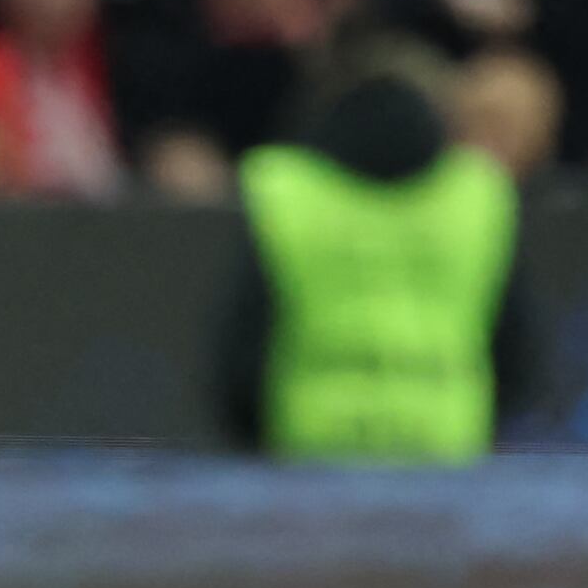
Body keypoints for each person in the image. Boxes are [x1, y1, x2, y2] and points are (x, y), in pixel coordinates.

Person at [220, 67, 529, 459]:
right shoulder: (480, 195)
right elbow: (516, 345)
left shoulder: (280, 191)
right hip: (446, 440)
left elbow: (244, 341)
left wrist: (254, 437)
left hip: (312, 443)